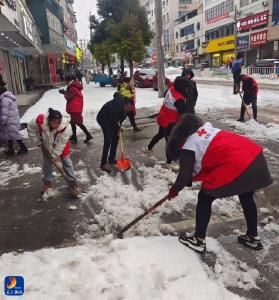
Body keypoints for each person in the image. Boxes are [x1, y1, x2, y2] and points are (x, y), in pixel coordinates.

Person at [166, 114, 272, 253]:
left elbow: (184, 175)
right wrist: (186, 180)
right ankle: (252, 237)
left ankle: (198, 240)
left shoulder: (188, 145)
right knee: (246, 196)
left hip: (239, 162)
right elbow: (209, 159)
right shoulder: (206, 131)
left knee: (205, 197)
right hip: (254, 156)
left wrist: (174, 189)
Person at [27, 108, 78, 194]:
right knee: (47, 163)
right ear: (49, 121)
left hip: (61, 144)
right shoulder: (40, 122)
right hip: (46, 144)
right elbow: (30, 127)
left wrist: (54, 155)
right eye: (54, 122)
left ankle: (73, 183)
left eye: (58, 122)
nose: (57, 125)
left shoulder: (64, 128)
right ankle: (47, 183)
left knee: (66, 161)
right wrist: (36, 140)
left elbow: (61, 143)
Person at [144, 76, 188, 164]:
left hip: (163, 117)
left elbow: (165, 94)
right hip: (170, 122)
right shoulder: (179, 100)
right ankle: (169, 162)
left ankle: (148, 148)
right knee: (169, 141)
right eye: (185, 87)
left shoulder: (171, 88)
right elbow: (184, 113)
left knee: (160, 134)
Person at [97, 92, 131, 173]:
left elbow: (120, 120)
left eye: (130, 108)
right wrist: (115, 129)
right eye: (128, 107)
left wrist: (118, 129)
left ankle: (111, 159)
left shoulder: (126, 108)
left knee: (116, 138)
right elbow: (113, 121)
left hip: (112, 118)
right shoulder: (117, 108)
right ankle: (103, 163)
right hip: (103, 118)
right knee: (108, 139)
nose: (128, 109)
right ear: (124, 104)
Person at [59, 75, 92, 143]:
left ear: (68, 80)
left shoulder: (72, 88)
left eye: (65, 81)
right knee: (73, 122)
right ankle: (74, 136)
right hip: (75, 107)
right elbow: (71, 95)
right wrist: (65, 92)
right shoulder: (73, 86)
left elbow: (68, 97)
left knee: (79, 123)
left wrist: (64, 93)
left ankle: (88, 135)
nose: (65, 82)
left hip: (74, 108)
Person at [0, 75, 28, 156]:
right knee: (10, 136)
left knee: (13, 135)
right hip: (12, 119)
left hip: (9, 121)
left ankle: (23, 148)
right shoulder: (6, 97)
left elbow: (4, 112)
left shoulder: (4, 100)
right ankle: (11, 150)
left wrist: (2, 121)